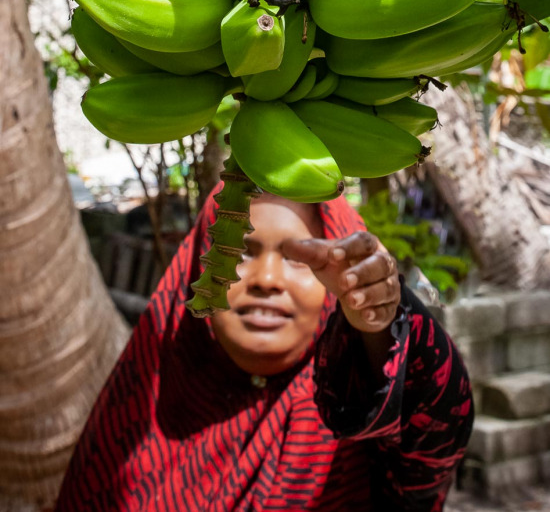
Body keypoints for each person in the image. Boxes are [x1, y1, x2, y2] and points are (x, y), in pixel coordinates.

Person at [55, 186, 473, 512]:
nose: (267, 279)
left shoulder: (356, 419)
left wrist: (383, 322)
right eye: (238, 252)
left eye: (300, 258)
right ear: (196, 270)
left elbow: (436, 432)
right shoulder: (139, 417)